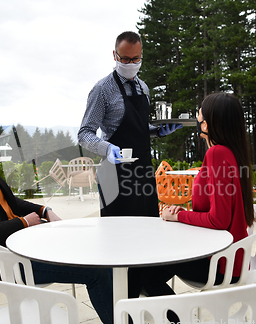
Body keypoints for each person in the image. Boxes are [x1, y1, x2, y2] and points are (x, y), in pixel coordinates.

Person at [0, 102, 114, 324]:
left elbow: (12, 203)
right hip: (3, 261)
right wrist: (24, 222)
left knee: (92, 250)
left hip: (23, 246)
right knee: (98, 271)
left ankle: (129, 318)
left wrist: (44, 212)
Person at [128, 92, 255, 324]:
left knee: (142, 274)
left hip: (220, 264)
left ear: (209, 123)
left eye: (200, 115)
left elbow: (219, 220)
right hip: (232, 257)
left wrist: (178, 217)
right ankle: (174, 322)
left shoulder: (217, 153)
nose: (197, 118)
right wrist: (183, 213)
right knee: (148, 268)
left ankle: (180, 323)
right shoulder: (230, 152)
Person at [78, 31, 182, 217]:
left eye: (136, 59)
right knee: (118, 236)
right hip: (114, 176)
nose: (131, 64)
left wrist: (157, 132)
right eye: (125, 59)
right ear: (115, 55)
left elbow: (137, 128)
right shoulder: (102, 89)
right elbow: (84, 134)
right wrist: (108, 148)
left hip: (143, 172)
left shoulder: (143, 87)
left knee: (148, 230)